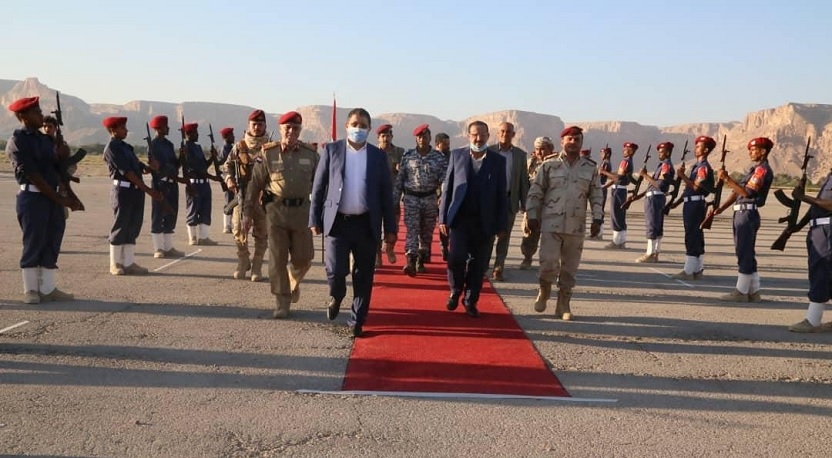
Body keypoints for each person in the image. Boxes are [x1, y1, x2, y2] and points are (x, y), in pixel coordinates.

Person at [309, 108, 398, 338]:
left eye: (363, 125)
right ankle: (337, 295)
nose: (358, 129)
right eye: (355, 124)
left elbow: (386, 195)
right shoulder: (332, 150)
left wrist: (390, 229)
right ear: (347, 126)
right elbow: (318, 187)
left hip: (366, 224)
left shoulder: (378, 156)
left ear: (369, 129)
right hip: (338, 223)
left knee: (364, 275)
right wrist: (314, 218)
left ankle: (357, 320)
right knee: (335, 271)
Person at [6, 96, 80, 304]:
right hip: (33, 197)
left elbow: (55, 169)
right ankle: (31, 289)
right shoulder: (18, 140)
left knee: (52, 239)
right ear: (24, 116)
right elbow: (33, 175)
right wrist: (60, 199)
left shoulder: (45, 140)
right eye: (36, 112)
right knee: (34, 241)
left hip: (52, 197)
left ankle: (47, 288)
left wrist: (62, 156)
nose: (41, 115)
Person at [245, 111, 318, 318]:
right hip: (276, 213)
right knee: (277, 259)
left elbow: (321, 184)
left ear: (300, 130)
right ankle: (282, 301)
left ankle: (293, 281)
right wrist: (247, 213)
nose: (291, 132)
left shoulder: (310, 154)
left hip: (302, 213)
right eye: (288, 128)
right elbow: (254, 185)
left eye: (296, 128)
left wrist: (322, 213)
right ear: (280, 129)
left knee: (304, 258)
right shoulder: (268, 153)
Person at [526, 126, 603, 320]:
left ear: (581, 143)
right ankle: (544, 290)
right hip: (551, 222)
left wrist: (597, 218)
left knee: (570, 268)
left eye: (577, 139)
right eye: (569, 139)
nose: (573, 142)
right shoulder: (549, 165)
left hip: (576, 225)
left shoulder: (590, 167)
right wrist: (532, 215)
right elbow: (536, 191)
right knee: (548, 262)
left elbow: (596, 194)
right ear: (562, 142)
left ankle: (563, 304)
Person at [439, 120, 507, 318]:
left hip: (485, 222)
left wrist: (501, 224)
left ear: (488, 136)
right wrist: (443, 218)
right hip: (460, 219)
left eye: (482, 134)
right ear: (468, 136)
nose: (479, 138)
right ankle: (455, 289)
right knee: (456, 257)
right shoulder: (457, 156)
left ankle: (470, 300)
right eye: (475, 134)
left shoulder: (498, 161)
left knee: (479, 264)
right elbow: (448, 188)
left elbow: (501, 195)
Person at [708, 137, 774, 302]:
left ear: (763, 151)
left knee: (743, 251)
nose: (750, 152)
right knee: (747, 251)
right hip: (742, 212)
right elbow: (736, 192)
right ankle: (754, 290)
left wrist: (727, 179)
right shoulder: (754, 170)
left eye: (753, 150)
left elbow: (747, 193)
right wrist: (721, 208)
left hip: (747, 213)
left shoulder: (762, 170)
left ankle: (741, 291)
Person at [102, 116, 163, 276]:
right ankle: (115, 263)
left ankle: (128, 263)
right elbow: (128, 172)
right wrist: (148, 190)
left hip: (135, 191)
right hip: (123, 191)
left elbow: (138, 168)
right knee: (121, 224)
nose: (126, 130)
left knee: (133, 225)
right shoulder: (112, 148)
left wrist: (151, 167)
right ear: (113, 130)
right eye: (123, 128)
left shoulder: (126, 147)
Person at [395, 124, 448, 276]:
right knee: (412, 230)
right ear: (416, 139)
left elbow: (445, 180)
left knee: (427, 232)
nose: (422, 139)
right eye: (419, 137)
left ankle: (421, 259)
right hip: (411, 198)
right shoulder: (408, 156)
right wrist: (395, 199)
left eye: (425, 136)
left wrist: (443, 197)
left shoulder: (439, 158)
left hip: (430, 198)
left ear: (430, 138)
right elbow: (400, 179)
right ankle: (410, 260)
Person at [223, 110, 269, 281]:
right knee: (238, 229)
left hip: (263, 198)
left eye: (260, 124)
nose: (257, 127)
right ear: (248, 126)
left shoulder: (270, 147)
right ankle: (243, 261)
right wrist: (229, 179)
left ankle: (257, 265)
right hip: (242, 195)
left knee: (262, 233)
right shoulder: (239, 146)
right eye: (254, 124)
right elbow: (227, 166)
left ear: (265, 126)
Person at [788, 169, 832, 332]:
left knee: (820, 270)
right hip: (819, 228)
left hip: (827, 230)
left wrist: (803, 197)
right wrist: (798, 225)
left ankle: (813, 321)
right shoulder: (830, 177)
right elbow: (817, 205)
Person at [488, 122, 529, 281]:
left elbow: (523, 180)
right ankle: (484, 263)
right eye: (502, 131)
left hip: (509, 200)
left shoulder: (520, 155)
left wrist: (524, 202)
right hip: (491, 201)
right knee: (488, 235)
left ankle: (499, 267)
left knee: (504, 236)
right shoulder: (489, 151)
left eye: (508, 132)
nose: (505, 134)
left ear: (514, 134)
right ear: (498, 133)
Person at [672, 136, 716, 280]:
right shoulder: (697, 166)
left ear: (706, 150)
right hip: (692, 203)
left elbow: (696, 187)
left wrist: (681, 175)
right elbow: (689, 188)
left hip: (695, 205)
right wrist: (677, 203)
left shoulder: (703, 167)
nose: (695, 149)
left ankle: (688, 271)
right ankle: (697, 269)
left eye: (698, 147)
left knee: (692, 235)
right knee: (696, 235)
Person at [148, 115, 185, 259]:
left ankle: (168, 248)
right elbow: (158, 168)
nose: (168, 128)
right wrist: (176, 177)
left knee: (171, 213)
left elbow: (175, 165)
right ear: (158, 128)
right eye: (165, 126)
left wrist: (182, 156)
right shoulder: (153, 145)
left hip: (172, 183)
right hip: (160, 183)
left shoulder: (169, 145)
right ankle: (158, 248)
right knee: (158, 214)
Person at [634, 142, 675, 263]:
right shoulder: (663, 165)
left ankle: (650, 253)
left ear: (668, 153)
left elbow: (660, 185)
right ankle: (655, 252)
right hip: (657, 197)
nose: (659, 154)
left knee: (652, 224)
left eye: (661, 152)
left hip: (655, 198)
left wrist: (645, 175)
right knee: (657, 225)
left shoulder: (666, 165)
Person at [519, 136, 556, 269]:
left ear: (550, 149)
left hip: (551, 204)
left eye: (543, 149)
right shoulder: (530, 164)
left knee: (551, 235)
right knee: (529, 232)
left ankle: (549, 262)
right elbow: (523, 182)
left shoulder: (556, 164)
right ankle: (527, 257)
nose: (539, 152)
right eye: (537, 149)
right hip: (533, 204)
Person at [181, 122, 219, 246]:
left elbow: (204, 166)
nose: (197, 135)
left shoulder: (197, 147)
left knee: (205, 210)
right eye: (194, 133)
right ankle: (192, 237)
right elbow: (196, 168)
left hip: (204, 184)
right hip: (194, 184)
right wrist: (213, 177)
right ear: (188, 134)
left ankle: (204, 237)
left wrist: (212, 158)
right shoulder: (186, 148)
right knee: (193, 209)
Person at [376, 124, 405, 265]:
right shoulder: (373, 153)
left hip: (393, 198)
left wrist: (401, 169)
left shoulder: (400, 152)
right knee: (375, 228)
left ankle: (389, 248)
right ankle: (377, 255)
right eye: (383, 136)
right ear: (378, 138)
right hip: (376, 197)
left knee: (393, 227)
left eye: (388, 136)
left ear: (392, 137)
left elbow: (406, 172)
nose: (386, 139)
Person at [600, 142, 637, 248]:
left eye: (626, 149)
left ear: (631, 151)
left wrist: (604, 172)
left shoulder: (625, 162)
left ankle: (616, 242)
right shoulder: (629, 162)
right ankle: (621, 241)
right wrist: (606, 186)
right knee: (620, 215)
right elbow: (619, 176)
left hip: (618, 190)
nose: (623, 151)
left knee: (616, 215)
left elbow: (617, 178)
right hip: (621, 190)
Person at [435, 132, 452, 260]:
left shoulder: (452, 157)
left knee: (445, 223)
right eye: (445, 144)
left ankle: (444, 246)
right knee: (427, 226)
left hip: (447, 197)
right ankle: (424, 251)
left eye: (448, 144)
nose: (447, 146)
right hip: (432, 196)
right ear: (437, 144)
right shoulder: (431, 157)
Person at [218, 127, 236, 234]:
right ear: (226, 137)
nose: (233, 137)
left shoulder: (231, 147)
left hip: (233, 177)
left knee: (234, 201)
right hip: (228, 178)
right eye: (231, 135)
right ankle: (226, 225)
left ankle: (232, 224)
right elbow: (224, 164)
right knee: (229, 201)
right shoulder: (225, 149)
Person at [594, 146, 613, 240]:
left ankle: (599, 233)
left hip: (601, 187)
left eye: (603, 153)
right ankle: (597, 232)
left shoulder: (606, 163)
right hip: (599, 187)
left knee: (599, 210)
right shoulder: (604, 163)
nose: (601, 154)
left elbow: (602, 174)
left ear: (607, 154)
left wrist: (601, 171)